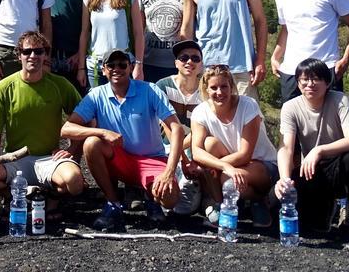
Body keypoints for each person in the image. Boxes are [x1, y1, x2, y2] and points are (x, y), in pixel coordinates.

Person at [62, 48, 183, 231]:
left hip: (151, 160)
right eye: (111, 65)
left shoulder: (150, 90)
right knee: (92, 143)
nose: (116, 68)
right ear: (103, 69)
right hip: (120, 159)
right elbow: (67, 128)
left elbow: (176, 128)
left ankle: (151, 200)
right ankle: (113, 203)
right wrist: (102, 132)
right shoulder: (96, 94)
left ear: (131, 67)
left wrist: (169, 171)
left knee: (171, 197)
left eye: (122, 64)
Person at [0, 31, 84, 210]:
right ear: (19, 55)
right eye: (27, 52)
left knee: (75, 181)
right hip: (15, 158)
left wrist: (72, 149)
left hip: (49, 159)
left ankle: (49, 197)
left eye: (39, 51)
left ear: (45, 55)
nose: (33, 56)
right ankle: (20, 196)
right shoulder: (4, 87)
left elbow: (84, 119)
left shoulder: (59, 84)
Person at [274, 58, 349, 248]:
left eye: (316, 79)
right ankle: (326, 209)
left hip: (339, 165)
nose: (310, 84)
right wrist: (284, 180)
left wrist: (319, 150)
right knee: (310, 226)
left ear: (327, 82)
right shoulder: (290, 107)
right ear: (298, 82)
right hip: (312, 170)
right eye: (304, 79)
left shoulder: (339, 100)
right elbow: (286, 147)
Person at [180, 0, 267, 102]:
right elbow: (187, 28)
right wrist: (187, 64)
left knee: (247, 121)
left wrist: (260, 59)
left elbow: (260, 20)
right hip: (207, 67)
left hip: (242, 66)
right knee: (211, 123)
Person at [191, 64, 278, 229]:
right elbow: (197, 151)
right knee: (209, 145)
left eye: (224, 86)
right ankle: (221, 204)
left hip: (261, 164)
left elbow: (245, 154)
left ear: (231, 86)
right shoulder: (200, 112)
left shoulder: (248, 105)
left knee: (227, 180)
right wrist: (223, 165)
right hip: (231, 164)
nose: (219, 92)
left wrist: (218, 168)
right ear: (206, 89)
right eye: (214, 88)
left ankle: (258, 200)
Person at [77, 0, 144, 88]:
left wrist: (139, 64)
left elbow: (139, 33)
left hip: (122, 65)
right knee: (97, 109)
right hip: (95, 66)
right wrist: (81, 68)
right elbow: (84, 33)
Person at [155, 39, 205, 216]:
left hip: (193, 147)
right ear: (176, 63)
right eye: (184, 58)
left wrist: (184, 155)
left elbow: (202, 129)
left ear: (201, 65)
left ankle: (206, 196)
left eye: (195, 58)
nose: (189, 62)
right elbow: (165, 125)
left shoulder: (206, 91)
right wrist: (180, 157)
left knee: (186, 208)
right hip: (164, 146)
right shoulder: (162, 86)